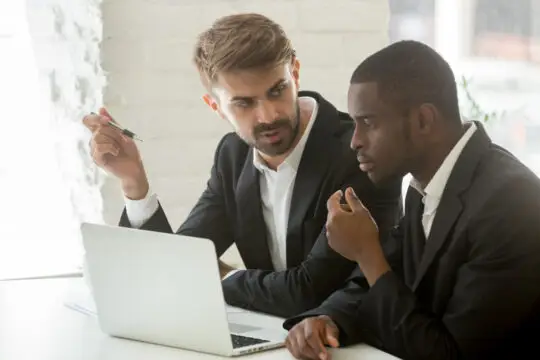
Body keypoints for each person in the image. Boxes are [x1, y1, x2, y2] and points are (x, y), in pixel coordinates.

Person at [82, 13, 402, 318]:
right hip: (275, 338)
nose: (268, 115)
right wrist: (133, 181)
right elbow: (177, 265)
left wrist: (223, 277)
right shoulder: (232, 156)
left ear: (296, 73)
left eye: (277, 91)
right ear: (215, 106)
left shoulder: (356, 154)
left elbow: (308, 292)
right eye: (244, 103)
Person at [284, 40, 540, 360]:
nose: (355, 142)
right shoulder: (423, 186)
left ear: (423, 121)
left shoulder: (511, 203)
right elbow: (385, 277)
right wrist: (326, 318)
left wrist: (367, 252)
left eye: (369, 123)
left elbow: (449, 353)